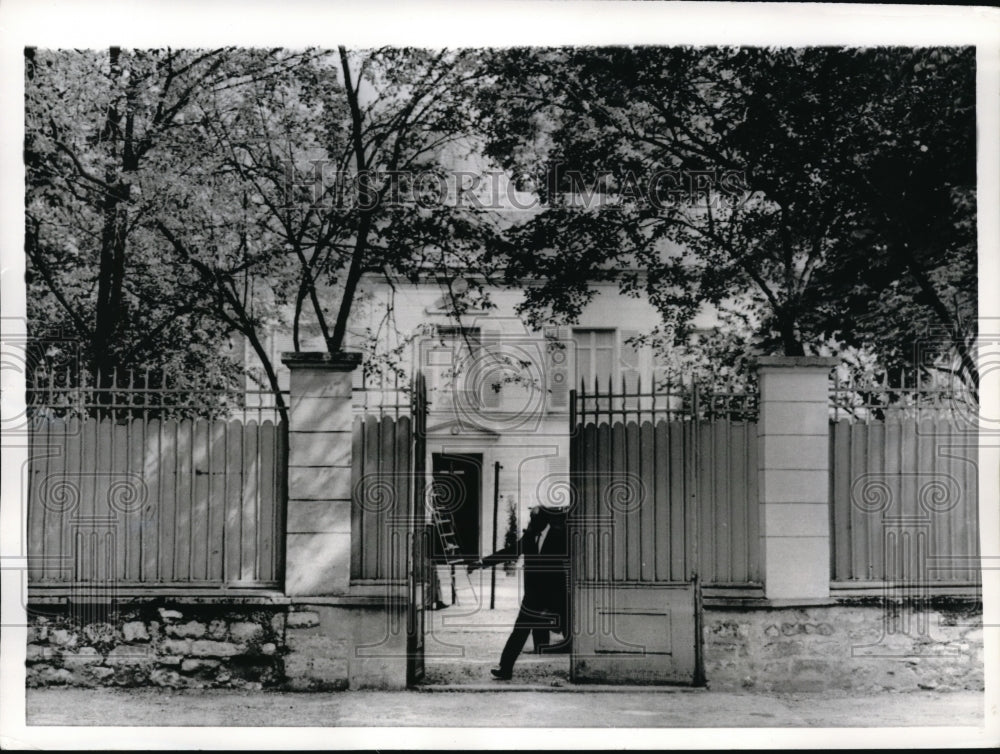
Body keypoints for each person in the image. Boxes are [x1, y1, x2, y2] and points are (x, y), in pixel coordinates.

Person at [468, 505, 570, 680]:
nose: (530, 522)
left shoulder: (560, 535)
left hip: (556, 592)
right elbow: (510, 551)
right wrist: (481, 563)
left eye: (533, 519)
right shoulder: (530, 536)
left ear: (543, 520)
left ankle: (584, 666)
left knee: (570, 625)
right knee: (520, 629)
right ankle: (505, 668)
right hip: (534, 593)